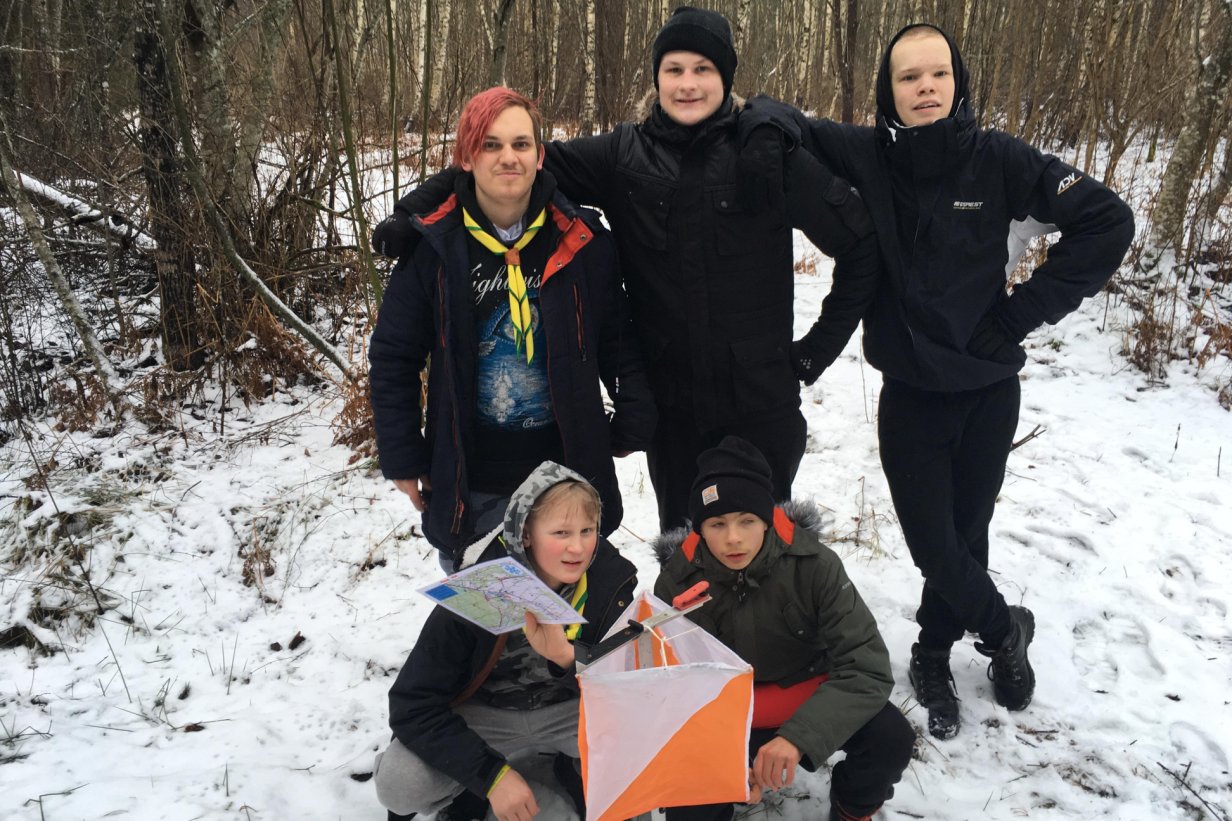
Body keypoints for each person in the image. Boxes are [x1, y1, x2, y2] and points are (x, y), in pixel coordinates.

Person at [741, 24, 1135, 739]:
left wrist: (1019, 314)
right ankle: (1005, 630)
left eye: (938, 74)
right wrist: (761, 128)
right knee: (933, 544)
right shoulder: (866, 153)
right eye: (908, 77)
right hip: (911, 395)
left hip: (988, 390)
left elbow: (1109, 220)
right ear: (888, 91)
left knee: (967, 532)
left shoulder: (1000, 159)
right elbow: (781, 115)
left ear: (958, 82)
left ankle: (931, 650)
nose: (925, 87)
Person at [373, 6, 882, 533]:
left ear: (726, 77)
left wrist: (812, 353)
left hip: (760, 401)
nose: (687, 84)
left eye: (703, 69)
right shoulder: (623, 155)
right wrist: (414, 213)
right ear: (657, 77)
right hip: (674, 411)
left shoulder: (766, 152)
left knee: (763, 547)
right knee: (685, 550)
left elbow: (860, 246)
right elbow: (509, 165)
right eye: (674, 69)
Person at [368, 87, 655, 569]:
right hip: (472, 477)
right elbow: (394, 355)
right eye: (490, 145)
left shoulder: (581, 239)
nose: (508, 157)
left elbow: (618, 338)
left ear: (540, 156)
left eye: (521, 144)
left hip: (566, 469)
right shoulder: (434, 246)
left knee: (568, 609)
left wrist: (633, 416)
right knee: (487, 611)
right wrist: (402, 454)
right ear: (466, 157)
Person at [653, 436, 915, 821]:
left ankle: (851, 809)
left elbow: (866, 669)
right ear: (700, 529)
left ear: (767, 520)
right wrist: (722, 759)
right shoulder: (676, 582)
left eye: (747, 521)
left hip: (806, 693)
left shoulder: (815, 565)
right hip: (722, 712)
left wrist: (798, 737)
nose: (733, 538)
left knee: (891, 738)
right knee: (689, 803)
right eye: (717, 524)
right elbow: (669, 685)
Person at [373, 461, 638, 821]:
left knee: (650, 741)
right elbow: (412, 704)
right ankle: (465, 793)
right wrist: (490, 776)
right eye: (561, 533)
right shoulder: (479, 589)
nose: (577, 547)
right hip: (486, 715)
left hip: (569, 714)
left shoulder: (609, 584)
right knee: (400, 784)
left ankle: (574, 771)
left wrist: (566, 658)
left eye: (587, 531)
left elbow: (630, 686)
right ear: (526, 535)